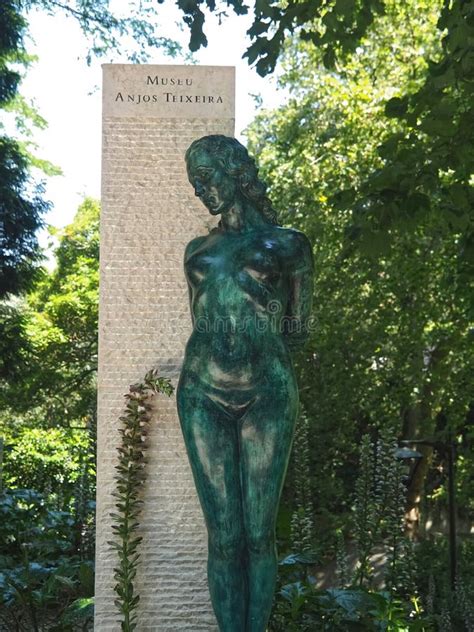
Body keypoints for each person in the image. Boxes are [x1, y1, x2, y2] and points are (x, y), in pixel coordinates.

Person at [176, 135, 314, 632]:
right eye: (195, 182)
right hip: (201, 393)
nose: (200, 190)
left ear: (236, 172)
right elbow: (203, 319)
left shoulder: (290, 245)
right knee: (224, 535)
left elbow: (298, 327)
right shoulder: (198, 252)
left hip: (267, 395)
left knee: (258, 533)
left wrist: (257, 350)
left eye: (207, 177)